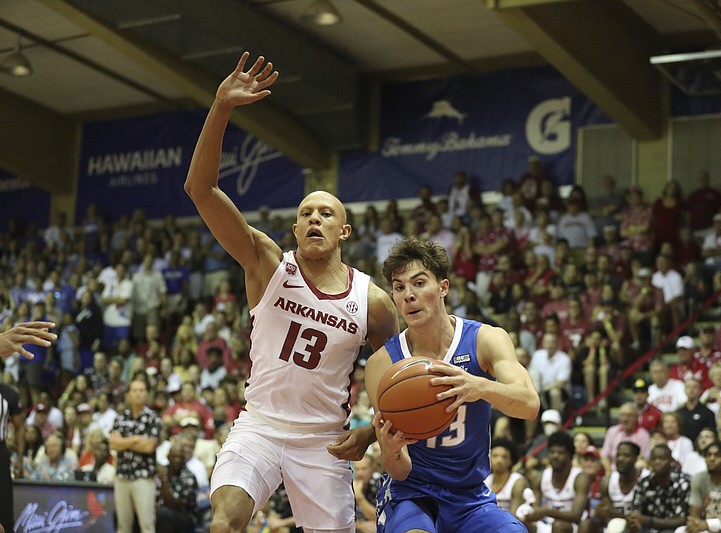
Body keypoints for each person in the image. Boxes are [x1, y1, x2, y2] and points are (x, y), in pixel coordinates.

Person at [185, 51, 399, 533]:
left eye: (326, 213)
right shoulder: (265, 262)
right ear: (295, 228)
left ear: (344, 231)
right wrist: (221, 105)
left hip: (323, 440)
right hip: (259, 425)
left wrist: (369, 431)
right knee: (224, 522)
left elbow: (396, 377)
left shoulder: (373, 301)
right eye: (306, 213)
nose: (314, 219)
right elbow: (200, 189)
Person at [366, 237, 540, 533]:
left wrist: (479, 387)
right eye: (399, 287)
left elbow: (529, 405)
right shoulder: (382, 365)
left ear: (443, 287)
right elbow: (399, 468)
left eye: (419, 283)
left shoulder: (486, 339)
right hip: (412, 494)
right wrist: (392, 450)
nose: (408, 295)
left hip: (470, 496)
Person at [111, 376, 162, 533]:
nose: (138, 394)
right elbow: (113, 443)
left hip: (143, 478)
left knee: (146, 525)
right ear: (128, 394)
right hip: (122, 477)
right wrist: (136, 439)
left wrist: (124, 442)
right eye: (134, 391)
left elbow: (148, 447)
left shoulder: (152, 417)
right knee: (123, 525)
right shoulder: (121, 417)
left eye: (141, 390)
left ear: (146, 394)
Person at [521, 431, 590, 533]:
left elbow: (576, 516)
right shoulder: (541, 477)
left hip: (573, 526)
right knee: (519, 525)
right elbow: (536, 510)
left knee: (559, 526)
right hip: (547, 524)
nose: (555, 456)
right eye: (552, 452)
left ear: (570, 456)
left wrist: (546, 511)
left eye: (560, 453)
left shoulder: (580, 477)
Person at [674, 440, 721, 533]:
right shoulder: (698, 478)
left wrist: (709, 525)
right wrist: (698, 524)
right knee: (680, 530)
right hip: (704, 526)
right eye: (708, 455)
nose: (711, 459)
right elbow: (694, 514)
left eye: (717, 455)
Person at [578, 442, 645, 533]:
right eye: (618, 455)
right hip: (615, 525)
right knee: (589, 524)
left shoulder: (646, 479)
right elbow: (607, 513)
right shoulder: (607, 481)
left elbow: (649, 516)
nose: (620, 459)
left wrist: (612, 513)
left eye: (626, 455)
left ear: (635, 458)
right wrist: (601, 512)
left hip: (642, 527)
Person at [627, 444, 690, 533]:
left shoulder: (683, 483)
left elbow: (682, 520)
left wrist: (649, 521)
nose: (657, 462)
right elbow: (636, 511)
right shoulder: (644, 483)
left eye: (662, 458)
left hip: (674, 529)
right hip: (646, 528)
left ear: (671, 461)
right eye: (654, 459)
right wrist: (634, 521)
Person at [0, 378, 26, 533]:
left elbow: (20, 426)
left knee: (3, 504)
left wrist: (20, 460)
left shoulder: (8, 393)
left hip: (0, 452)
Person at [156, 443, 199, 533]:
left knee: (162, 514)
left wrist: (164, 479)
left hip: (185, 515)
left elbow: (175, 505)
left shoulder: (188, 476)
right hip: (162, 511)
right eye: (174, 457)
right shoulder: (162, 470)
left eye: (180, 457)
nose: (177, 460)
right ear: (168, 457)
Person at [485, 438, 530, 517]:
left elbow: (516, 516)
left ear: (510, 461)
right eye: (495, 456)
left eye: (504, 457)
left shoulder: (517, 482)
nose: (499, 460)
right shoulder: (486, 481)